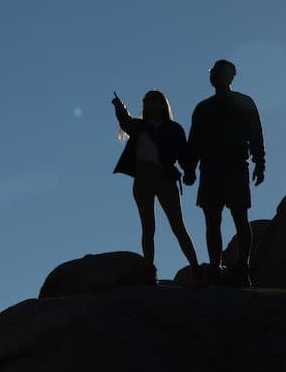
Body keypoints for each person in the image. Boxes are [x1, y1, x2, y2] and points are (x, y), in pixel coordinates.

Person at [183, 60, 265, 287]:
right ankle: (215, 266)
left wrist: (260, 162)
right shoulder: (203, 108)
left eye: (218, 73)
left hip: (236, 166)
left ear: (230, 77)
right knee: (212, 220)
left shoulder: (244, 102)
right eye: (213, 73)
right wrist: (190, 168)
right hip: (210, 169)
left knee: (240, 217)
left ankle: (242, 266)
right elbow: (195, 141)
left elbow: (256, 135)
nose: (214, 76)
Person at [112, 90, 202, 285]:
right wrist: (119, 107)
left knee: (178, 226)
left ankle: (196, 270)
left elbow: (184, 155)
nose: (151, 104)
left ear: (163, 104)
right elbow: (126, 122)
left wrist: (189, 171)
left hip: (165, 179)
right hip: (143, 179)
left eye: (155, 100)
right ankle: (149, 273)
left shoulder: (173, 129)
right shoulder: (139, 126)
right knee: (148, 227)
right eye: (148, 101)